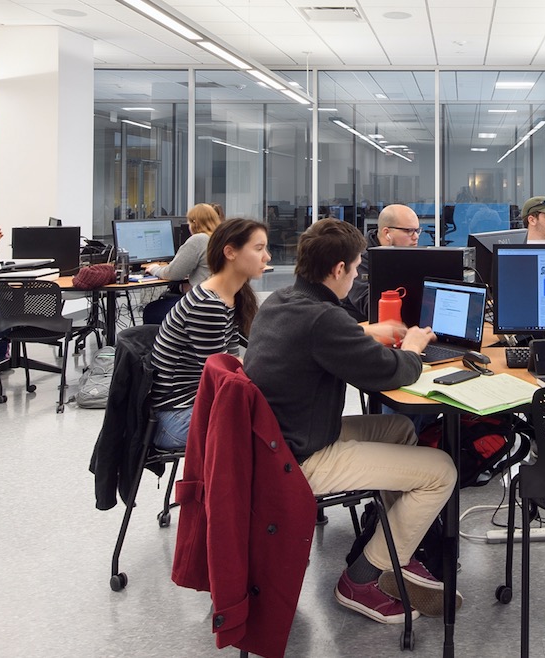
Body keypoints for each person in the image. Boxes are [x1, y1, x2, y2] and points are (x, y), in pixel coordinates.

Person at [245, 219, 461, 623]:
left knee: (398, 428)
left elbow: (334, 341)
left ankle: (398, 549)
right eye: (358, 266)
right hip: (298, 460)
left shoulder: (283, 300)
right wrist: (413, 348)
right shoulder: (324, 320)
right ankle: (361, 581)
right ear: (338, 270)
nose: (359, 273)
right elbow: (388, 372)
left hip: (278, 438)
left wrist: (367, 331)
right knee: (442, 472)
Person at [146, 219, 270, 450]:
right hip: (174, 418)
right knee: (272, 425)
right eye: (259, 248)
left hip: (191, 406)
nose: (267, 257)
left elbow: (232, 362)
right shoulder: (208, 304)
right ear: (230, 252)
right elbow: (221, 375)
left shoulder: (229, 297)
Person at [344, 204, 423, 321]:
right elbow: (371, 306)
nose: (415, 237)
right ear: (387, 233)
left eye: (417, 231)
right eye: (409, 231)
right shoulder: (359, 258)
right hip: (363, 329)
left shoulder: (409, 255)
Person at [144, 203, 222, 290]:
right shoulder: (219, 239)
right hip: (218, 297)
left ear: (194, 223)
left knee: (153, 304)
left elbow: (172, 273)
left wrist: (154, 269)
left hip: (201, 299)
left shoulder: (198, 240)